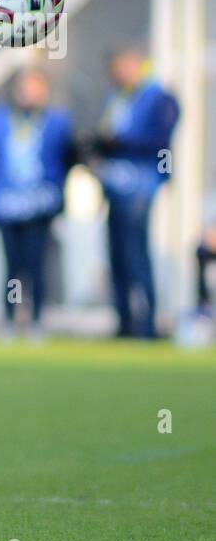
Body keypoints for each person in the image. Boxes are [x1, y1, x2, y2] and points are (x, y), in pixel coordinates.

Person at [88, 45, 180, 339]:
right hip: (114, 185)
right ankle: (124, 322)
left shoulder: (160, 97)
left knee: (136, 253)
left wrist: (119, 142)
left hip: (140, 185)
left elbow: (159, 139)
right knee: (117, 254)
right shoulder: (117, 99)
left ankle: (147, 323)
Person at [0, 68, 75, 339]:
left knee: (36, 265)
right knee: (11, 266)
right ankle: (9, 319)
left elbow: (67, 162)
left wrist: (61, 201)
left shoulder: (56, 123)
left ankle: (36, 321)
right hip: (7, 204)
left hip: (39, 203)